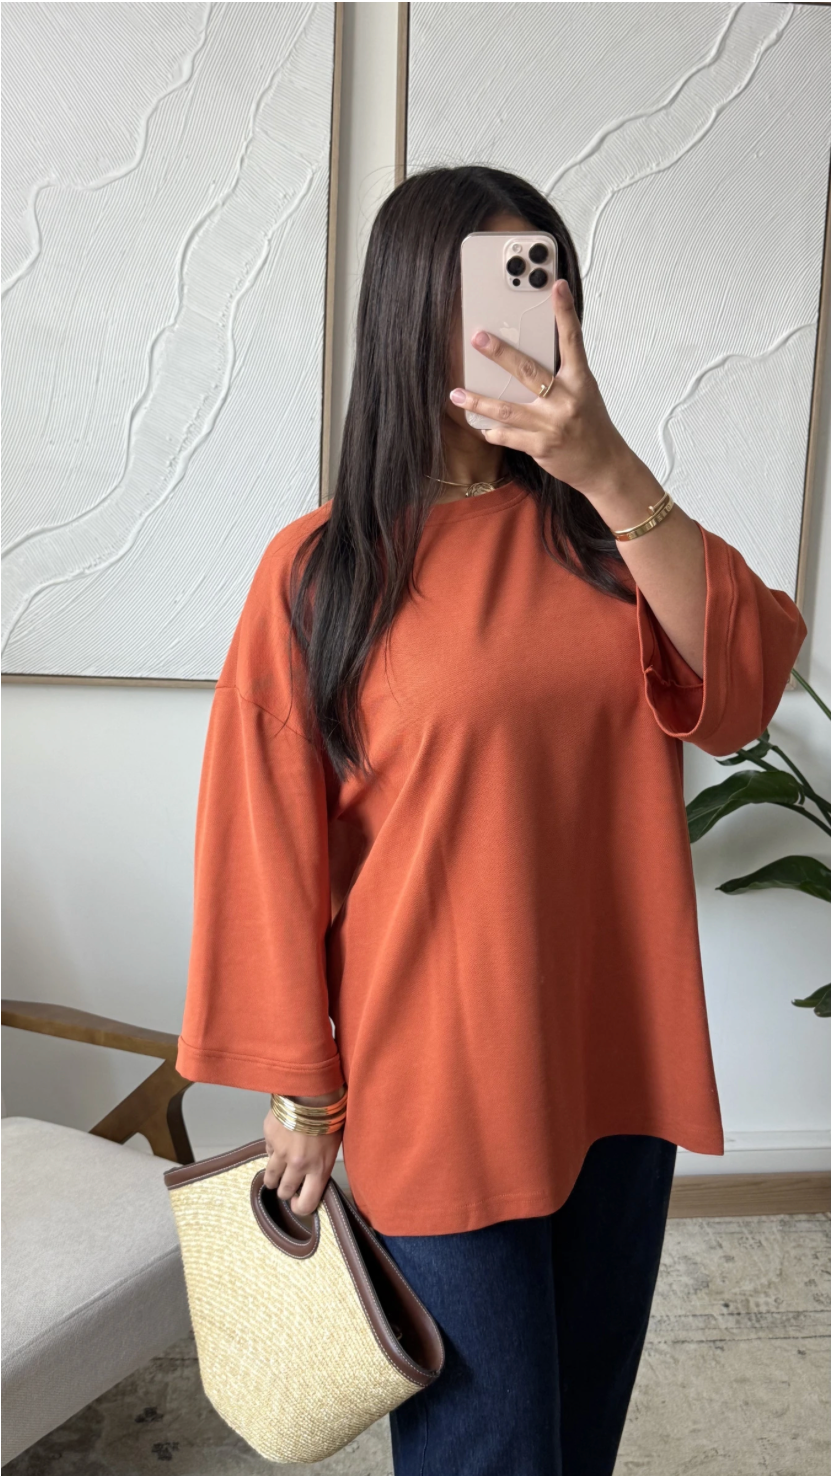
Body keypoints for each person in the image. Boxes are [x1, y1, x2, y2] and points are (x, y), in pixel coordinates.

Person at [176, 166, 808, 1475]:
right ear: (414, 309)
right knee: (492, 1449)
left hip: (615, 1062)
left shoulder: (613, 540)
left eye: (547, 282)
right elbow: (262, 846)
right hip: (439, 1082)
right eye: (496, 288)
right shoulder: (324, 570)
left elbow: (744, 690)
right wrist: (304, 1093)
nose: (529, 317)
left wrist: (607, 465)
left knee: (576, 1439)